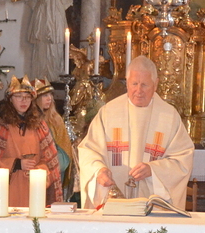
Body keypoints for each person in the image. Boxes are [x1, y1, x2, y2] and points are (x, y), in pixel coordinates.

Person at [78, 56, 195, 209]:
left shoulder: (169, 117)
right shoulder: (108, 112)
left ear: (155, 84)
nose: (138, 91)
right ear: (127, 82)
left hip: (152, 207)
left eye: (144, 85)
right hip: (113, 203)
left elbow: (182, 160)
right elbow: (89, 151)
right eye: (134, 84)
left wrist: (153, 169)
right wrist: (99, 170)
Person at [0, 76, 62, 206]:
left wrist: (39, 170)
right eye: (18, 96)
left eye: (27, 97)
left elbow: (49, 160)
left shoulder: (40, 126)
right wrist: (16, 164)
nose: (23, 101)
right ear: (10, 99)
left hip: (35, 189)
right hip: (9, 190)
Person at [10, 0, 87, 82]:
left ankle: (55, 76)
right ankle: (40, 78)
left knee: (56, 45)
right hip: (43, 16)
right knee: (42, 46)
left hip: (57, 17)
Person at [34, 79, 75, 201]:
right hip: (34, 168)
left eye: (50, 95)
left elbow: (64, 149)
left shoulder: (56, 119)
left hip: (53, 167)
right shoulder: (30, 120)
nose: (49, 99)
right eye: (45, 96)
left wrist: (52, 167)